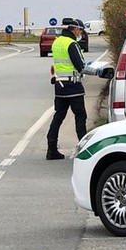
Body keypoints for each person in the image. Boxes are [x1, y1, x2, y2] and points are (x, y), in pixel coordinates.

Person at [46, 17, 87, 160]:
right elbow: (80, 66)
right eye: (80, 30)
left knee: (58, 116)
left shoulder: (57, 42)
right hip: (73, 85)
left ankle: (51, 149)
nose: (81, 33)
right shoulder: (72, 44)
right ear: (75, 29)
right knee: (80, 116)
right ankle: (84, 148)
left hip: (60, 85)